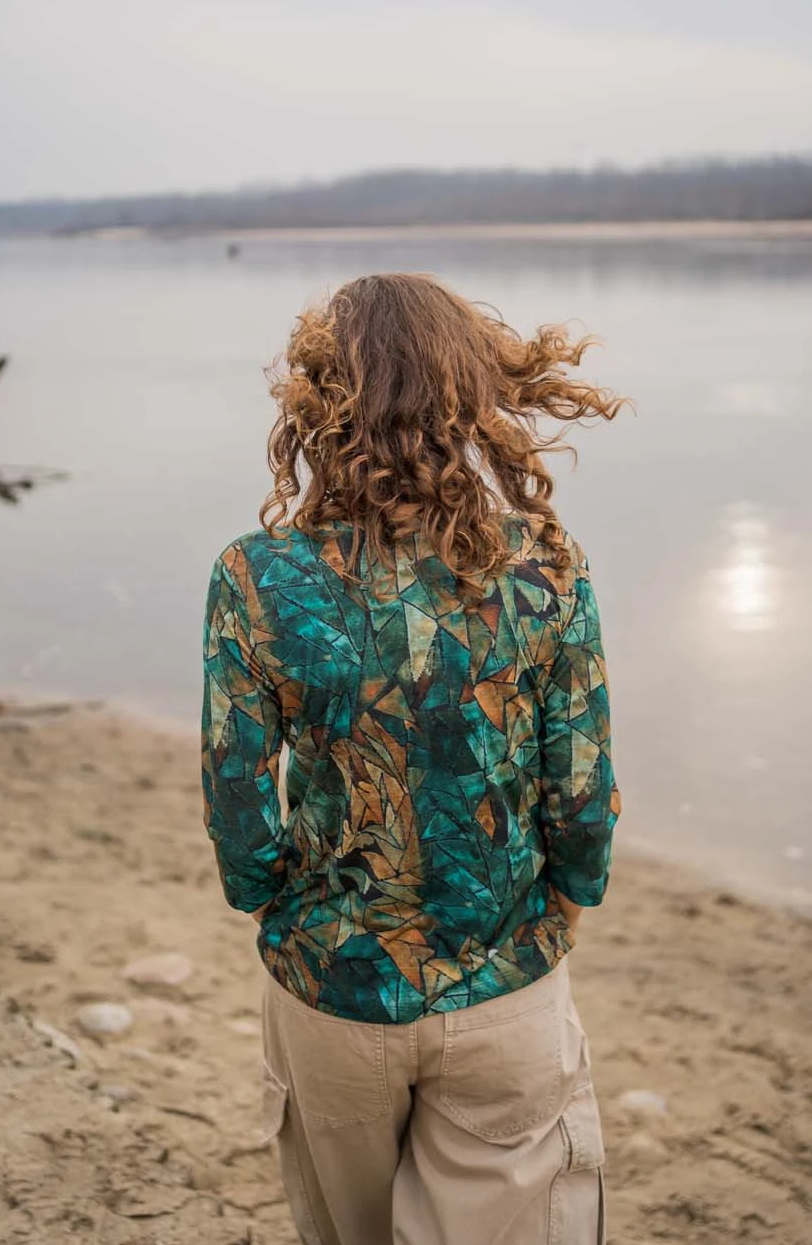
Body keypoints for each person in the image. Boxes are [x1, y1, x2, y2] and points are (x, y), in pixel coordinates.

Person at [201, 272, 625, 1245]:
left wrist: (275, 904)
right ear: (472, 393)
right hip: (506, 980)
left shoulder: (256, 575)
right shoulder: (545, 564)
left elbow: (235, 793)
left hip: (331, 987)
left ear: (318, 399)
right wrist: (569, 900)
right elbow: (581, 786)